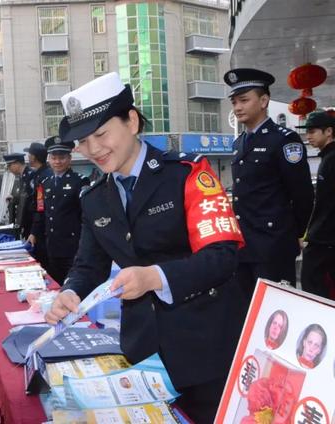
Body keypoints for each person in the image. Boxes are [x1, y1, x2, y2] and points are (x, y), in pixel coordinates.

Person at [44, 72, 245, 423]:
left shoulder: (187, 174)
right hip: (141, 354)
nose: (93, 150)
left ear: (132, 121)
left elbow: (222, 258)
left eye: (101, 134)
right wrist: (70, 291)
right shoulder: (93, 198)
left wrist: (155, 277)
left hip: (207, 348)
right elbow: (88, 265)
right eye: (82, 141)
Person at [224, 68, 313, 301]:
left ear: (264, 100)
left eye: (244, 100)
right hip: (245, 246)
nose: (237, 107)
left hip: (274, 245)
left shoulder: (284, 140)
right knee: (246, 313)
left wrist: (296, 233)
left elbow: (302, 194)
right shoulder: (239, 142)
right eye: (234, 102)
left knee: (276, 313)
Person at [30, 135, 90, 284]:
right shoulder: (44, 183)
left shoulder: (80, 181)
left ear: (69, 159)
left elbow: (86, 215)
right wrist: (33, 233)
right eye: (54, 158)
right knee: (55, 286)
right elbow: (40, 210)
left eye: (62, 158)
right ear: (49, 159)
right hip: (51, 246)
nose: (57, 161)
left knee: (73, 286)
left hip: (73, 247)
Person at [297, 111, 335, 299]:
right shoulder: (327, 158)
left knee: (315, 291)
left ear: (328, 131)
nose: (308, 136)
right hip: (323, 239)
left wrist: (313, 234)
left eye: (312, 131)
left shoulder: (332, 159)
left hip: (325, 242)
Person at [4, 153, 33, 228]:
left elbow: (32, 200)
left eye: (9, 166)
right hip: (25, 220)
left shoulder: (31, 175)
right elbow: (23, 197)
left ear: (17, 163)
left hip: (31, 220)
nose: (9, 169)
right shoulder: (22, 176)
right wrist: (14, 198)